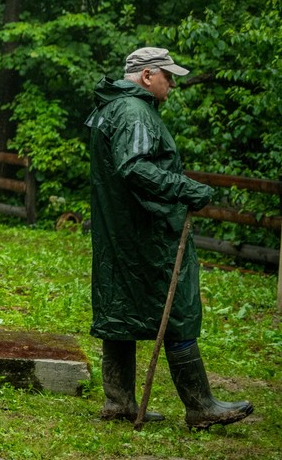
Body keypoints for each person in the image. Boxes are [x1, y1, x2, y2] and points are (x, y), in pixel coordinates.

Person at [86, 47, 253, 429]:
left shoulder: (110, 109)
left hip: (120, 231)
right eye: (168, 76)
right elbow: (135, 168)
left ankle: (120, 402)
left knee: (119, 307)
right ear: (147, 76)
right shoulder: (134, 112)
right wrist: (185, 188)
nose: (173, 84)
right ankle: (200, 406)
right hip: (148, 234)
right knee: (178, 308)